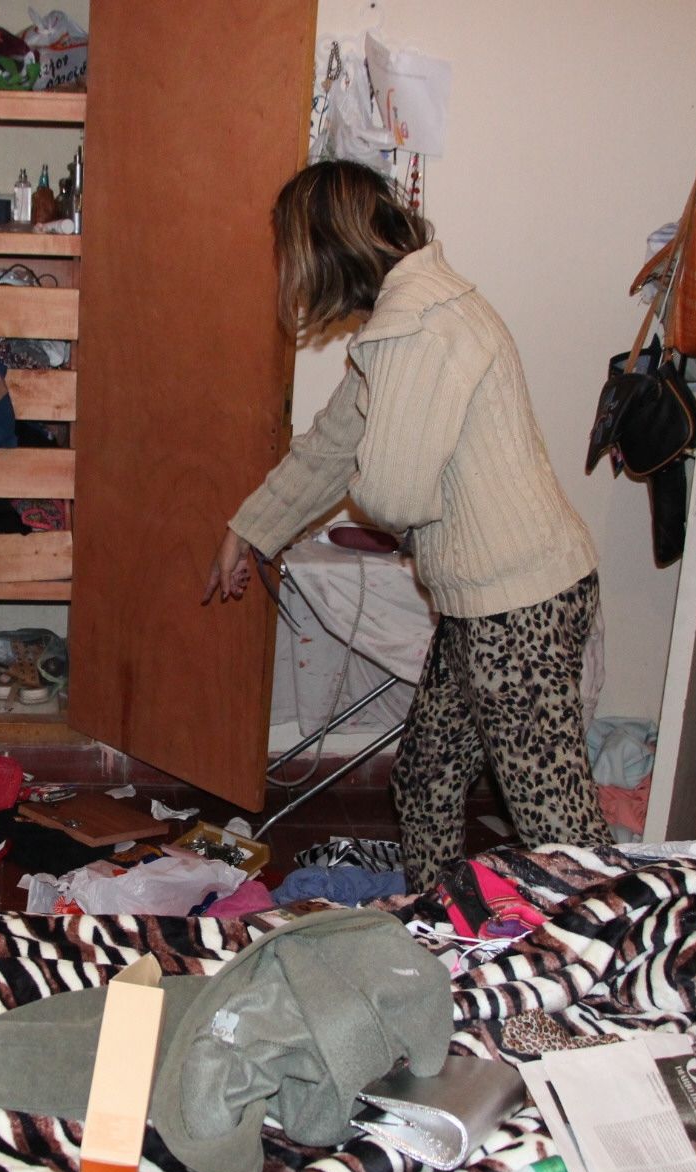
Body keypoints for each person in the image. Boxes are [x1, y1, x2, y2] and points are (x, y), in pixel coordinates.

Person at [205, 160, 610, 892]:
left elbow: (393, 493)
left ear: (329, 245)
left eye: (297, 253)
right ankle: (437, 921)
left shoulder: (419, 326)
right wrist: (251, 528)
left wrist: (369, 482)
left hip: (518, 607)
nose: (296, 275)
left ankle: (607, 947)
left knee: (561, 836)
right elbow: (335, 444)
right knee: (425, 781)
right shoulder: (408, 315)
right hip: (489, 601)